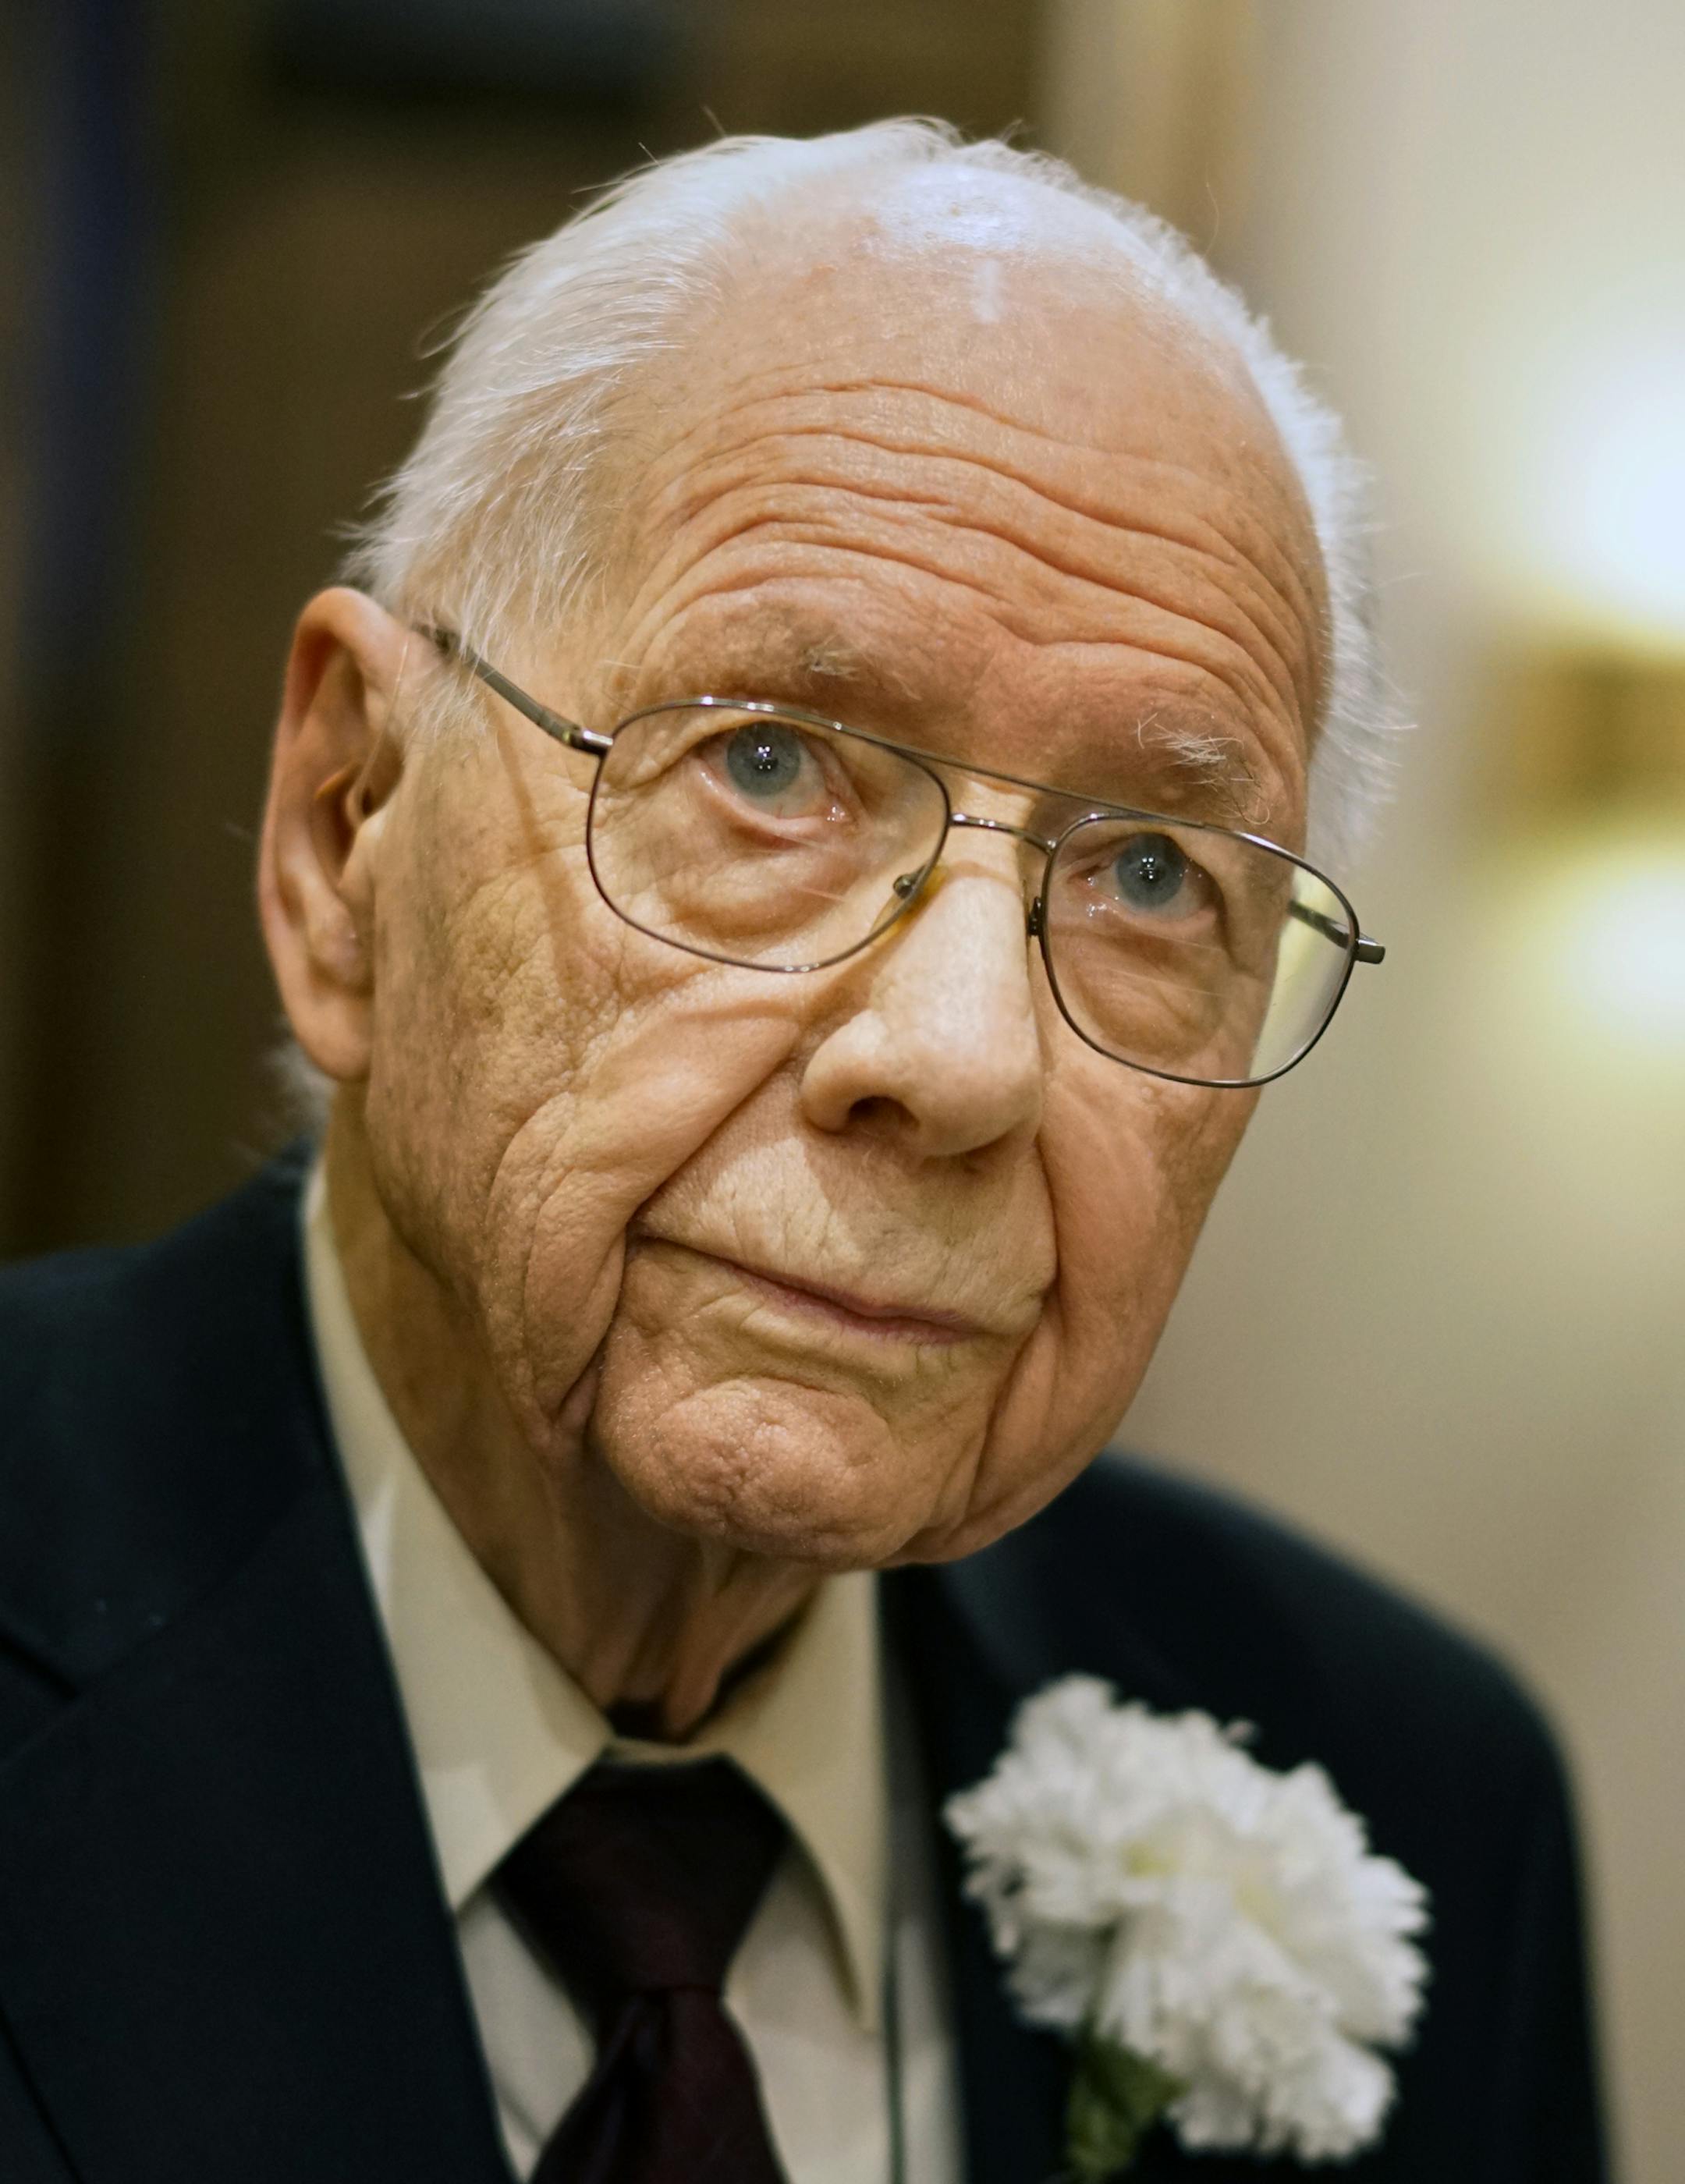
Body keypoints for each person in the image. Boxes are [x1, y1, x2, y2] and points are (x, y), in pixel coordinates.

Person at [0, 123, 1604, 2184]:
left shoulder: (1415, 1808)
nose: (957, 1058)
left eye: (1146, 877)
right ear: (345, 835)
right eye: (768, 765)